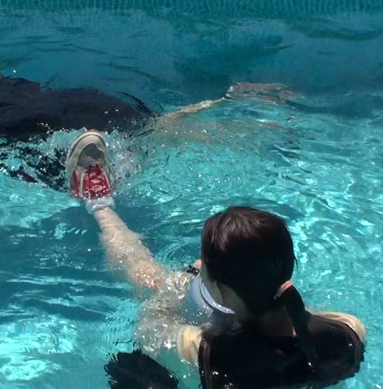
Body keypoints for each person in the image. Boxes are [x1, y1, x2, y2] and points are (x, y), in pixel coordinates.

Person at [65, 131, 366, 388]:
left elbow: (148, 330)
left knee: (152, 284)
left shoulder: (203, 351)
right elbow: (303, 322)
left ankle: (99, 205)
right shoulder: (350, 333)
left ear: (221, 292)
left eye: (204, 268)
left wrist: (184, 278)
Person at [0, 29, 232, 188]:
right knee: (162, 126)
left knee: (161, 137)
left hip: (64, 126)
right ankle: (229, 104)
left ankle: (231, 117)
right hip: (82, 101)